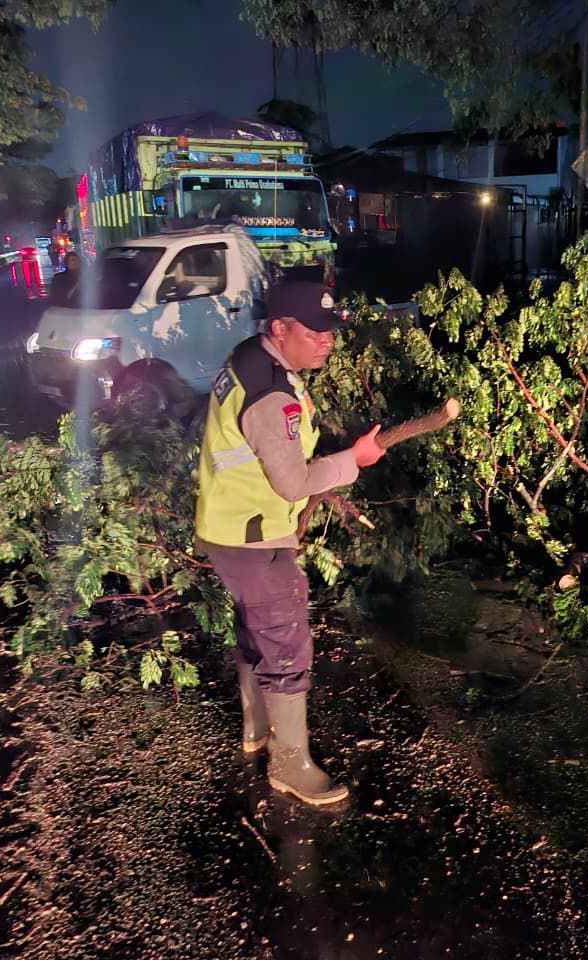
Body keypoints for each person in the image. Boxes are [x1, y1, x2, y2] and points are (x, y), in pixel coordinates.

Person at [195, 281, 385, 806]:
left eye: (330, 331)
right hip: (252, 534)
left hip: (231, 526)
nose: (327, 341)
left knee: (256, 631)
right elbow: (294, 482)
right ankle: (290, 765)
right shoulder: (270, 393)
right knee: (285, 642)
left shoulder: (250, 359)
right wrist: (354, 460)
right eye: (315, 331)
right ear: (280, 329)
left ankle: (256, 732)